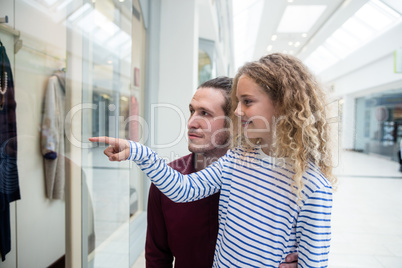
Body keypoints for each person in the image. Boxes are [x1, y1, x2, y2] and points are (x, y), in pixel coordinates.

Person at [90, 53, 335, 267]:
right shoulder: (238, 159)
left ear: (282, 104)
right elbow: (183, 189)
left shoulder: (312, 187)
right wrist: (138, 151)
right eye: (238, 102)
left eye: (247, 102)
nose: (238, 111)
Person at [147, 76, 298, 268]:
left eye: (205, 114)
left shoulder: (265, 182)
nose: (192, 122)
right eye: (192, 111)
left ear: (234, 122)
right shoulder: (167, 179)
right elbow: (157, 257)